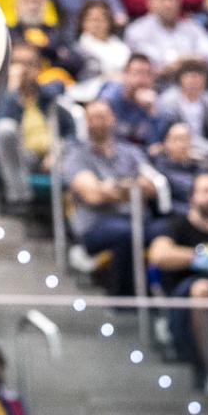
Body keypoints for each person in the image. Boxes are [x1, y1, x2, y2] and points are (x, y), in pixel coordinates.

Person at [146, 171, 208, 393]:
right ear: (192, 197)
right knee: (202, 289)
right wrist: (201, 256)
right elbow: (159, 256)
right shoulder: (176, 225)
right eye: (206, 191)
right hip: (185, 297)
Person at [62, 96, 159, 295]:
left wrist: (112, 188)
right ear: (86, 121)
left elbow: (151, 186)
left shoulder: (130, 152)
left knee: (168, 230)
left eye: (103, 116)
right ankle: (124, 301)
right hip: (96, 224)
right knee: (130, 234)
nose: (100, 121)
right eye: (94, 116)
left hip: (135, 218)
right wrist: (131, 188)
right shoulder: (76, 155)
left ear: (112, 118)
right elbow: (93, 195)